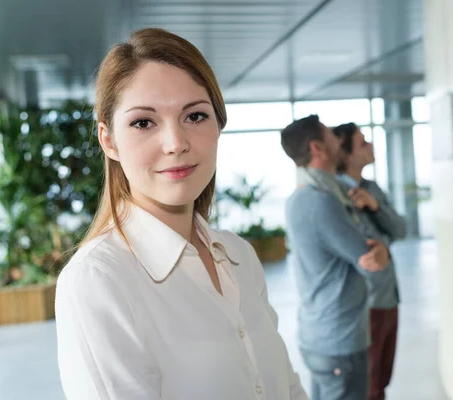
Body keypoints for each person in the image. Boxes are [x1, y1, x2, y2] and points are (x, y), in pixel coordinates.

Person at [55, 28, 308, 400]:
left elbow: (287, 387)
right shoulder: (98, 282)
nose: (176, 143)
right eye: (143, 122)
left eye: (195, 116)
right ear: (108, 140)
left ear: (219, 125)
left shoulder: (239, 256)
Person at [281, 114, 392, 400]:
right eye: (331, 134)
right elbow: (370, 262)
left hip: (319, 335)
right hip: (339, 340)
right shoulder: (321, 202)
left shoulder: (304, 197)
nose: (338, 139)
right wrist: (381, 251)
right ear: (318, 148)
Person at [333, 123, 407, 400]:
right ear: (347, 154)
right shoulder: (337, 195)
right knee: (369, 384)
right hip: (367, 302)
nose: (371, 145)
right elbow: (364, 248)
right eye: (363, 142)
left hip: (389, 295)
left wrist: (375, 207)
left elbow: (400, 229)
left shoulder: (372, 188)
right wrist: (384, 244)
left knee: (382, 378)